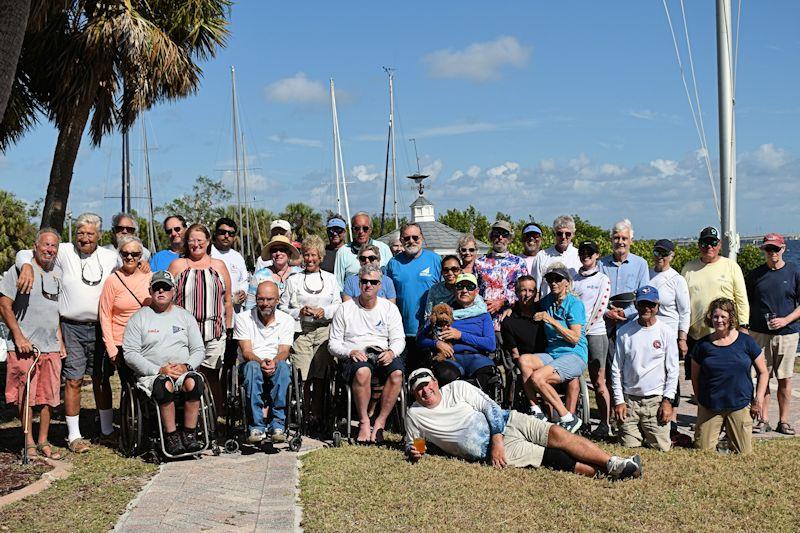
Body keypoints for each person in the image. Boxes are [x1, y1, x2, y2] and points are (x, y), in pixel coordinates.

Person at [404, 369, 642, 479]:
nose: (425, 391)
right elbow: (417, 444)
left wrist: (497, 438)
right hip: (489, 450)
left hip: (508, 421)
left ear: (435, 382)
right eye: (419, 389)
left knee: (558, 433)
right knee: (554, 458)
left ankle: (613, 463)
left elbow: (491, 408)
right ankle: (610, 473)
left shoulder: (457, 387)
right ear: (414, 394)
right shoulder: (414, 415)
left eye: (427, 384)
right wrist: (414, 452)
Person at [15, 212, 119, 452]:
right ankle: (74, 436)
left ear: (99, 236)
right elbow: (24, 253)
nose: (84, 237)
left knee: (102, 380)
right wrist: (27, 267)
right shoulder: (64, 250)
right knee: (73, 380)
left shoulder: (110, 256)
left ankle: (107, 431)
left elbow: (136, 258)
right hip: (71, 326)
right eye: (80, 232)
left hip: (102, 327)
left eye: (90, 233)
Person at [122, 271, 207, 455]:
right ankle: (171, 436)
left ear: (174, 291)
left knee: (194, 382)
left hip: (182, 370)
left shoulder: (185, 317)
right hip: (152, 374)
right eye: (157, 287)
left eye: (166, 287)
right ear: (150, 290)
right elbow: (129, 353)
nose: (161, 291)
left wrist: (187, 366)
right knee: (163, 384)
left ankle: (190, 434)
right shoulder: (139, 318)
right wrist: (158, 369)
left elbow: (199, 349)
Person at [1, 228, 66, 459]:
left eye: (53, 246)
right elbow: (4, 305)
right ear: (35, 246)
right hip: (24, 348)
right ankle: (27, 442)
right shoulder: (19, 270)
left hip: (51, 347)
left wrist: (60, 340)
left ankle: (43, 441)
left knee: (48, 397)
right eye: (45, 245)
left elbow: (54, 311)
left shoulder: (57, 274)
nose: (49, 250)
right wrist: (18, 336)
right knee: (25, 396)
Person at [328, 264, 406, 444]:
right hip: (355, 356)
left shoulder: (389, 308)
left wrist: (392, 352)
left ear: (380, 285)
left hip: (381, 353)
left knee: (397, 373)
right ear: (359, 283)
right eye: (364, 281)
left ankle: (380, 422)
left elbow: (398, 339)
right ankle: (364, 421)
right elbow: (333, 345)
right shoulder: (345, 308)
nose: (368, 285)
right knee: (363, 371)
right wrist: (350, 351)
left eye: (373, 282)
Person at [168, 223, 234, 416]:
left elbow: (228, 300)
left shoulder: (219, 266)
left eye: (200, 240)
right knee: (186, 377)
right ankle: (188, 418)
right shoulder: (178, 265)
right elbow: (165, 297)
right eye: (191, 240)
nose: (196, 244)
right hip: (184, 335)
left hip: (213, 332)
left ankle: (215, 416)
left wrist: (229, 329)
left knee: (212, 377)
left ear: (208, 242)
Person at [691, 298, 768, 454]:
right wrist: (701, 401)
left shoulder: (746, 342)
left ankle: (729, 440)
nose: (719, 320)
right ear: (710, 318)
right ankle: (721, 440)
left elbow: (763, 372)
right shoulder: (702, 345)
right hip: (711, 405)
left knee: (744, 453)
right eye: (715, 317)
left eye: (723, 317)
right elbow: (695, 377)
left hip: (739, 404)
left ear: (731, 318)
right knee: (702, 451)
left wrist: (758, 399)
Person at [280, 235, 341, 430]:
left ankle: (318, 414)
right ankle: (305, 415)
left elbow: (338, 305)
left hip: (324, 330)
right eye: (306, 255)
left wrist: (326, 311)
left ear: (321, 257)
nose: (310, 259)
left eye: (314, 255)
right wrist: (298, 311)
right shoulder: (294, 280)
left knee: (321, 375)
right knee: (303, 375)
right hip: (302, 331)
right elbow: (281, 307)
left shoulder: (330, 279)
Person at [610, 286, 678, 452]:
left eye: (651, 305)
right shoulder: (624, 332)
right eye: (642, 304)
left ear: (657, 306)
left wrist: (667, 401)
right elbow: (616, 369)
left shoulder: (666, 331)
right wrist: (619, 401)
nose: (646, 308)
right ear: (635, 305)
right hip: (630, 400)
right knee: (629, 445)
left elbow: (673, 370)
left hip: (654, 400)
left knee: (661, 447)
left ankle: (655, 431)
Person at [745, 233, 800, 435]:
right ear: (763, 251)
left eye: (775, 249)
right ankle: (764, 419)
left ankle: (784, 420)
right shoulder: (754, 275)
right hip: (759, 334)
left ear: (783, 249)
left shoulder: (794, 272)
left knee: (785, 378)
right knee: (762, 377)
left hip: (787, 333)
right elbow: (745, 303)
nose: (772, 253)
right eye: (769, 249)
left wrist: (786, 320)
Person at [526, 265, 588, 433]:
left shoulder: (574, 304)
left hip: (573, 355)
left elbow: (575, 338)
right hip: (552, 354)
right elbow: (526, 305)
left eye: (558, 279)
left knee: (537, 378)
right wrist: (509, 309)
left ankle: (567, 417)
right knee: (524, 361)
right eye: (550, 280)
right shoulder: (546, 301)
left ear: (567, 283)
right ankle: (536, 411)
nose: (553, 283)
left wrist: (551, 320)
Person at [682, 226, 749, 376]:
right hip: (697, 336)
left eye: (713, 243)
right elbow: (682, 302)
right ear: (699, 245)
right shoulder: (688, 268)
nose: (709, 247)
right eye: (705, 243)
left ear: (719, 245)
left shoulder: (731, 266)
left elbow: (741, 298)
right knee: (698, 379)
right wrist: (682, 334)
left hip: (725, 334)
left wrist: (744, 326)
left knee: (725, 376)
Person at [234, 281, 295, 443]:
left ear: (278, 300)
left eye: (269, 299)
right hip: (252, 364)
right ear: (255, 299)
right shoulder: (243, 319)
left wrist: (273, 362)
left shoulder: (287, 320)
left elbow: (284, 351)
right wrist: (261, 362)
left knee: (283, 366)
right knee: (253, 367)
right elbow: (246, 351)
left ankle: (278, 424)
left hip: (277, 363)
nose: (265, 303)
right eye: (261, 299)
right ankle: (256, 426)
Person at [417, 273, 496, 389]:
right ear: (455, 290)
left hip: (476, 358)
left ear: (477, 291)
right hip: (451, 358)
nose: (464, 290)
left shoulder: (483, 315)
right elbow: (420, 339)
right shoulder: (443, 311)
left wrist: (460, 335)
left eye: (470, 287)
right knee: (446, 375)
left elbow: (491, 344)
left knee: (485, 376)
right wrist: (437, 343)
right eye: (460, 286)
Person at [386, 223, 441, 371]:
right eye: (407, 238)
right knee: (405, 374)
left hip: (429, 330)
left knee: (427, 374)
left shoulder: (435, 260)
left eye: (415, 237)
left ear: (422, 238)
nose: (411, 241)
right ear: (402, 241)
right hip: (402, 331)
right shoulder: (393, 263)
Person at [649, 238, 690, 435]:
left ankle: (672, 418)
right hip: (650, 332)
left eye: (664, 254)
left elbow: (685, 311)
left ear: (671, 256)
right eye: (657, 253)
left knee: (671, 374)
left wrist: (682, 338)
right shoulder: (647, 275)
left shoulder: (677, 280)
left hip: (671, 334)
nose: (660, 258)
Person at [572, 241, 612, 438]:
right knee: (573, 377)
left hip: (595, 332)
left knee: (598, 380)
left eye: (590, 252)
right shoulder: (573, 279)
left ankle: (605, 423)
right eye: (582, 252)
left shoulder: (603, 279)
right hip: (575, 334)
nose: (586, 255)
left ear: (597, 255)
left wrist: (584, 329)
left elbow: (601, 306)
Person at [99, 235, 152, 385]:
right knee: (129, 385)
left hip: (147, 341)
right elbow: (105, 315)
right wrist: (111, 348)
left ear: (140, 256)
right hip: (122, 342)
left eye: (134, 254)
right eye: (125, 253)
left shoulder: (150, 277)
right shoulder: (112, 280)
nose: (130, 257)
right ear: (120, 254)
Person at [499, 275, 547, 412]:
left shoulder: (544, 313)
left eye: (531, 291)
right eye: (523, 290)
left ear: (536, 293)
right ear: (516, 292)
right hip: (525, 364)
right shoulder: (509, 320)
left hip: (547, 359)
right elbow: (515, 354)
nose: (527, 295)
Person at [474, 220, 528, 330]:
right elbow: (474, 291)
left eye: (504, 234)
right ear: (490, 237)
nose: (500, 237)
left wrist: (503, 301)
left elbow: (525, 292)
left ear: (510, 239)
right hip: (483, 321)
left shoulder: (519, 263)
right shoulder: (479, 263)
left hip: (508, 320)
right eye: (496, 234)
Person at [599, 219, 650, 334]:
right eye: (616, 238)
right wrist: (607, 312)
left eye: (624, 238)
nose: (620, 242)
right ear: (611, 240)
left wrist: (625, 313)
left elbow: (643, 296)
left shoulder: (641, 264)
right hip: (606, 326)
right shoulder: (601, 264)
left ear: (631, 241)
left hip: (632, 326)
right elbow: (596, 296)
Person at [333, 211, 392, 290]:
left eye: (365, 228)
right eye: (357, 228)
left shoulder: (384, 248)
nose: (361, 232)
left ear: (370, 230)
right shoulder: (343, 252)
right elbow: (338, 283)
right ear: (352, 230)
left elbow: (390, 280)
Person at [530, 215, 582, 297]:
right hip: (547, 307)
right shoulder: (542, 256)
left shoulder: (580, 256)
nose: (563, 237)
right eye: (559, 233)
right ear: (554, 234)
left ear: (573, 234)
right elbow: (535, 288)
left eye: (567, 234)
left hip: (572, 306)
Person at [423, 255, 487, 320]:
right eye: (446, 270)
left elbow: (482, 308)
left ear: (460, 270)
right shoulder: (435, 289)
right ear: (442, 272)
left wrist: (450, 315)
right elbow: (428, 315)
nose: (450, 273)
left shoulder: (467, 288)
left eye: (454, 269)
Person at [246, 235, 302, 308]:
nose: (278, 253)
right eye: (274, 250)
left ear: (289, 254)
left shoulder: (299, 274)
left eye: (282, 250)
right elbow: (249, 306)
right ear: (270, 254)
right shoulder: (259, 276)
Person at [210, 217, 249, 312]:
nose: (226, 236)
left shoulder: (238, 257)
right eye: (222, 232)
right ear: (215, 233)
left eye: (231, 234)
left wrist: (243, 292)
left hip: (234, 311)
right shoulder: (207, 253)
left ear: (234, 237)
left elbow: (243, 281)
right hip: (212, 309)